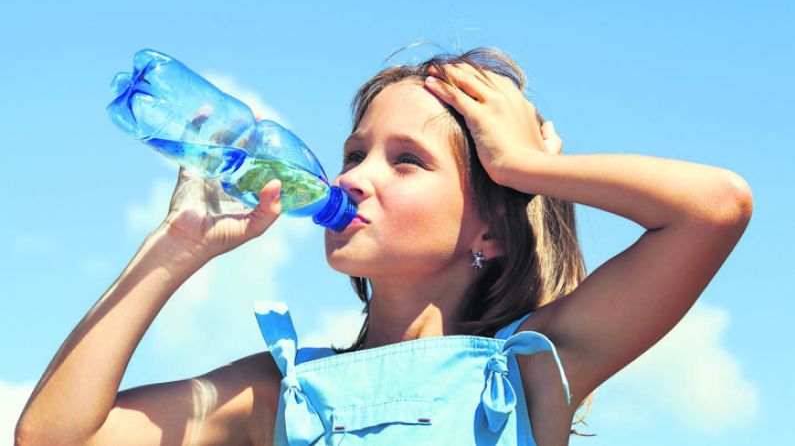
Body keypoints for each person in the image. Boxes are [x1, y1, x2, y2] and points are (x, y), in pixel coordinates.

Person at [15, 47, 753, 446]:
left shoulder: (533, 369)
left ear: (490, 230)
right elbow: (53, 441)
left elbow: (713, 209)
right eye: (354, 152)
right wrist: (171, 251)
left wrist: (531, 170)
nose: (352, 178)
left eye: (406, 161)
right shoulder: (275, 392)